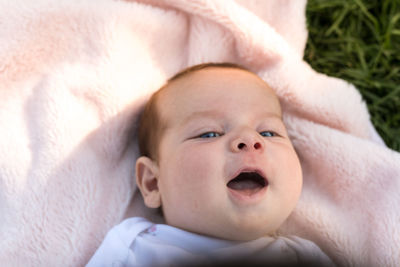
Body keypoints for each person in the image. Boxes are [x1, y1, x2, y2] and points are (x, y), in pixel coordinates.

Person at [86, 63, 335, 267]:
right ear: (153, 182)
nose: (250, 139)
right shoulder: (132, 248)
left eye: (268, 132)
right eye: (209, 134)